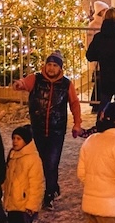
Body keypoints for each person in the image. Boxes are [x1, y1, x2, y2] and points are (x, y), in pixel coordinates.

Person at [10, 52, 84, 208]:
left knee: (51, 162)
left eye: (55, 65)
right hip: (38, 128)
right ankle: (53, 186)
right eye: (49, 64)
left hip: (57, 130)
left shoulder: (66, 84)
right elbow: (24, 83)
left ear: (60, 68)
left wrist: (77, 123)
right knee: (42, 161)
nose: (51, 68)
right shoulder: (36, 79)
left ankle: (49, 193)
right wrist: (19, 84)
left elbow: (74, 104)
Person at [1, 124, 44, 223]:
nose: (15, 141)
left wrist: (32, 205)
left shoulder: (32, 159)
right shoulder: (12, 156)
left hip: (24, 206)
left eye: (18, 139)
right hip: (12, 203)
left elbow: (36, 184)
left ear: (26, 141)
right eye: (13, 138)